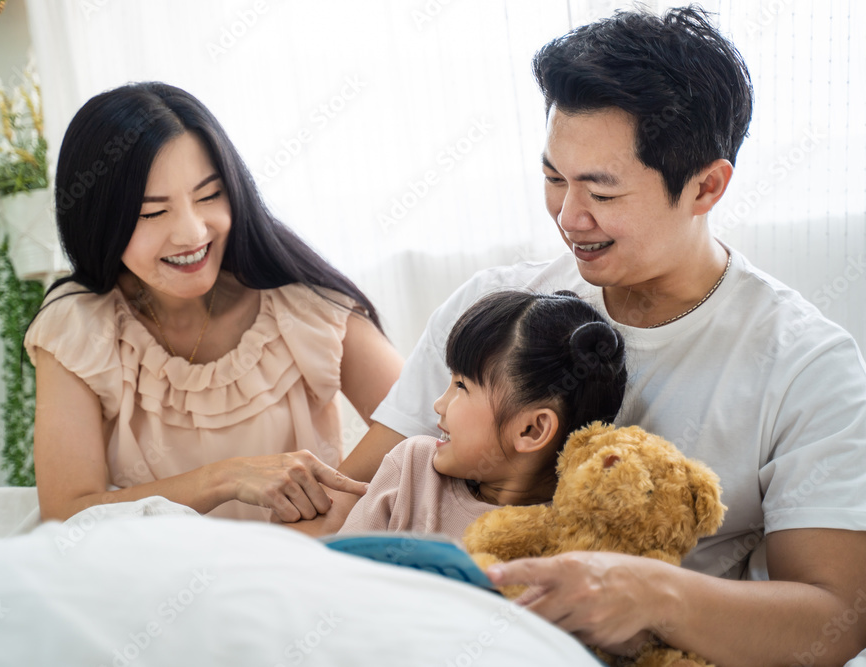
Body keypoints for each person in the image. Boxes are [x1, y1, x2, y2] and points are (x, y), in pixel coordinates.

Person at [309, 7, 866, 666]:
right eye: (553, 178)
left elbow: (836, 615)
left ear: (706, 186)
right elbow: (355, 497)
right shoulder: (496, 311)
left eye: (601, 191)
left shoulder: (804, 364)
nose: (569, 217)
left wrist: (649, 592)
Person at [24, 82, 403, 524]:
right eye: (151, 212)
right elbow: (66, 512)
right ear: (98, 220)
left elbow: (422, 422)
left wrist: (326, 505)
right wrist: (223, 480)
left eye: (209, 195)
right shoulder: (78, 328)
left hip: (304, 569)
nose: (192, 233)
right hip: (163, 577)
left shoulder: (301, 303)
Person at [338, 290, 626, 540]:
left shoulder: (577, 538)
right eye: (451, 380)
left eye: (461, 385)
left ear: (531, 430)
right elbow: (338, 576)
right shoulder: (413, 469)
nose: (439, 404)